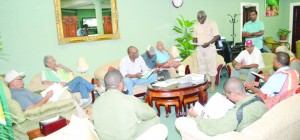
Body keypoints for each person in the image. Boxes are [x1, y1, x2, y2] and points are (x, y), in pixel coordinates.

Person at [175, 77, 267, 136]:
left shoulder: (236, 114)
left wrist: (196, 116)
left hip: (236, 134)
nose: (226, 96)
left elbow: (211, 129)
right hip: (253, 128)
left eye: (227, 94)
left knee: (187, 119)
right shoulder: (258, 99)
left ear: (233, 94)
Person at [93, 70, 167, 139]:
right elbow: (150, 114)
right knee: (155, 118)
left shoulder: (96, 102)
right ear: (121, 84)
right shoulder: (130, 99)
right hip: (128, 138)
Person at [193, 10, 220, 92]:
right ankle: (203, 86)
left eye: (201, 18)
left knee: (211, 67)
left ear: (205, 17)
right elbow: (194, 37)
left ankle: (212, 85)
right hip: (200, 48)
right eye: (198, 19)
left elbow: (217, 36)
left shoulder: (212, 23)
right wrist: (194, 43)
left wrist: (209, 43)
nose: (199, 20)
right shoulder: (196, 25)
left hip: (210, 47)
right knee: (201, 67)